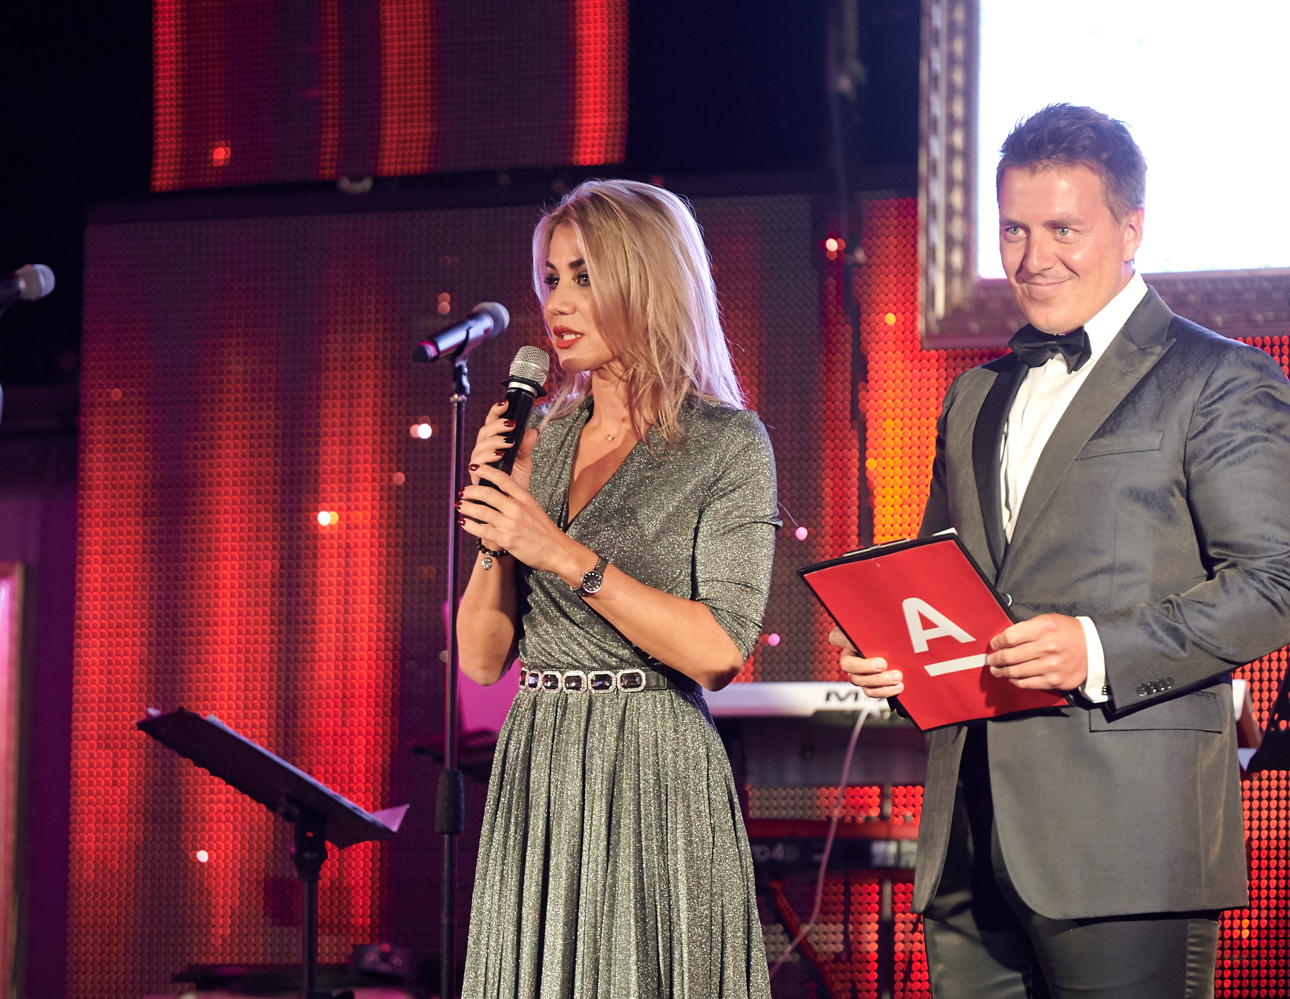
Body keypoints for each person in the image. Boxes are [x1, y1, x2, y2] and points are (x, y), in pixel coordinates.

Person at [835, 103, 1290, 998]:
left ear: (1132, 230)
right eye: (1014, 229)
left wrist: (1095, 649)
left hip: (1128, 842)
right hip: (967, 841)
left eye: (1063, 230)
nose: (1033, 256)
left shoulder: (1219, 377)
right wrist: (895, 654)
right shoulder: (973, 394)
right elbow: (942, 582)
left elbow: (1274, 583)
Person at [454, 179, 778, 998]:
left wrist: (563, 554)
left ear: (649, 281)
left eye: (585, 277)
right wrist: (498, 529)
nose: (557, 302)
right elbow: (483, 660)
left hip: (653, 765)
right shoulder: (542, 438)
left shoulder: (726, 443)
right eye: (551, 278)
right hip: (541, 759)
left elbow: (717, 651)